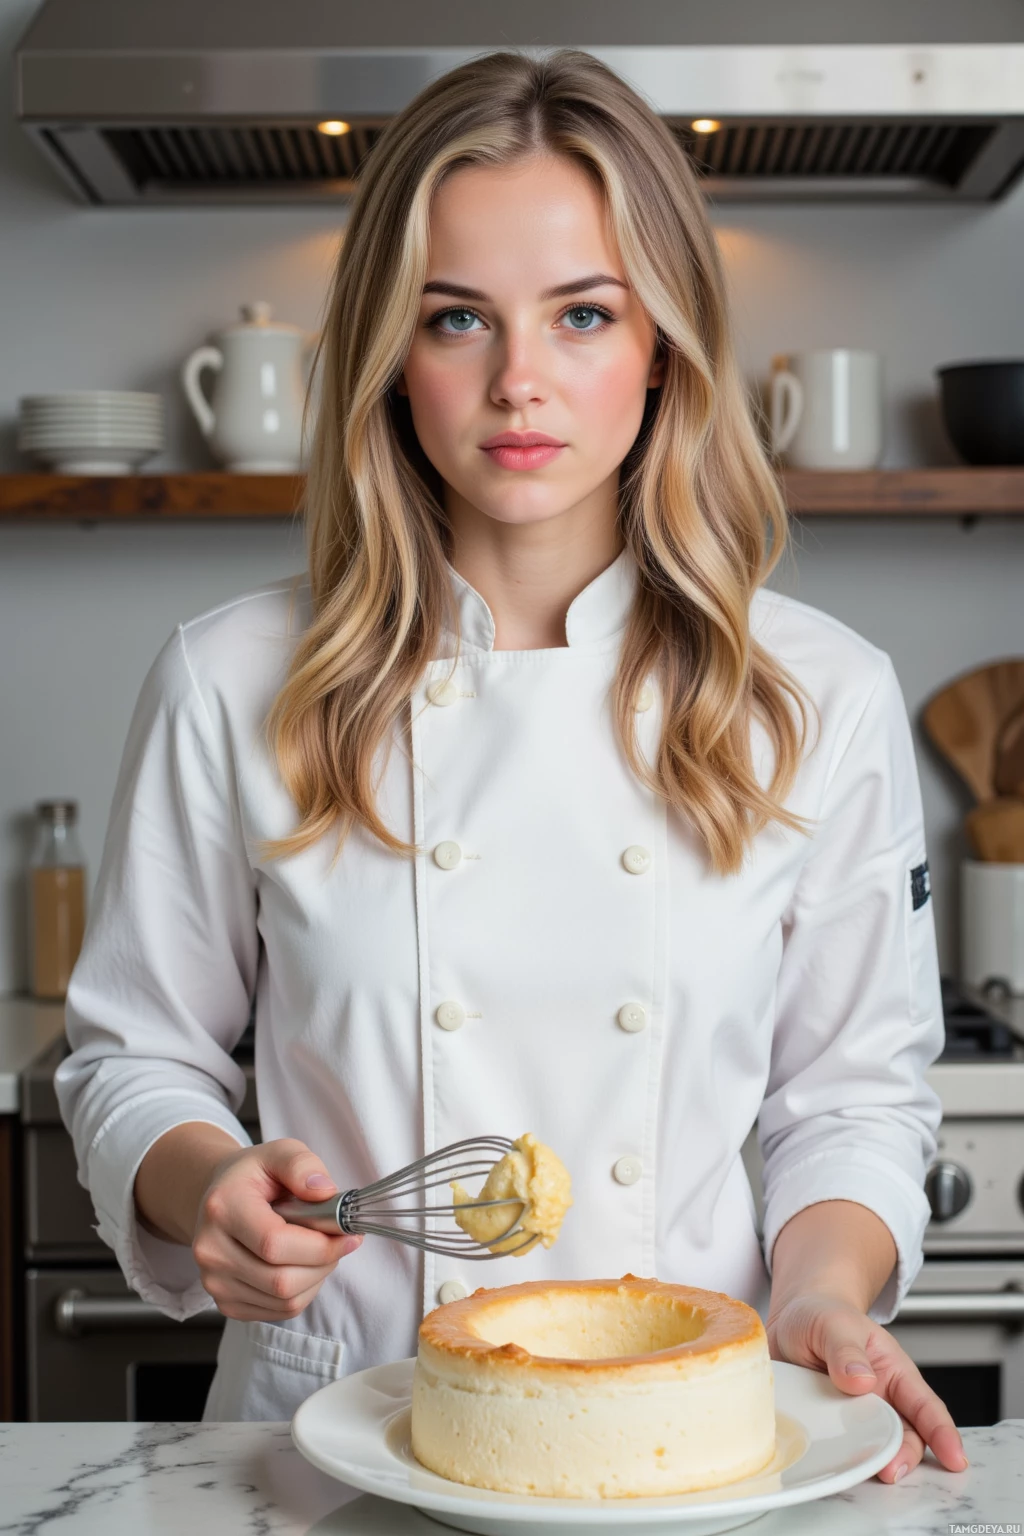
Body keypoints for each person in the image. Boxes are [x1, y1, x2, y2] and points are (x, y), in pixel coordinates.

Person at [57, 49, 967, 1481]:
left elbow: (851, 1102)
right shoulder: (230, 680)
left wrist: (823, 1295)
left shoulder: (816, 697)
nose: (519, 380)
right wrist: (205, 1183)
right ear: (385, 352)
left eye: (584, 313)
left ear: (662, 342)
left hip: (680, 1439)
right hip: (321, 1439)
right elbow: (136, 1057)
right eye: (457, 318)